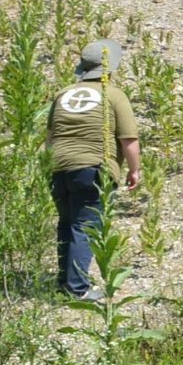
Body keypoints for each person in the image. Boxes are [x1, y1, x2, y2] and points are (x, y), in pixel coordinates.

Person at [46, 40, 142, 302]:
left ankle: (64, 283)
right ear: (109, 69)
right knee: (85, 225)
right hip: (93, 168)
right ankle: (78, 289)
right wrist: (134, 170)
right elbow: (128, 139)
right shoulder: (113, 95)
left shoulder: (62, 94)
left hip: (58, 168)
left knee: (66, 223)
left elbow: (50, 137)